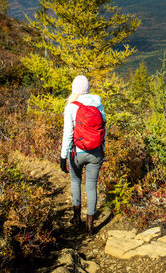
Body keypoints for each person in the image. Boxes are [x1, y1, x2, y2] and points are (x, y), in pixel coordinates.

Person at [60, 75, 106, 235]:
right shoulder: (99, 105)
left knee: (75, 181)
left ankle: (76, 218)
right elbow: (104, 130)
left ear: (74, 89)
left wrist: (63, 156)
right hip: (95, 153)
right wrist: (102, 149)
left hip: (77, 153)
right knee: (92, 186)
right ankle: (90, 226)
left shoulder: (71, 107)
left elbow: (68, 133)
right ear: (88, 88)